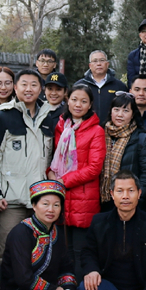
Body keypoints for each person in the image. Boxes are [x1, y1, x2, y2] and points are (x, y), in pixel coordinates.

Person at [0, 69, 55, 258]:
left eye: (34, 85)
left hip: (38, 198)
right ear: (15, 88)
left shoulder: (47, 118)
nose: (28, 89)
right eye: (23, 84)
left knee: (34, 252)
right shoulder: (3, 117)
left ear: (40, 89)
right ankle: (2, 288)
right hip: (10, 200)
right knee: (7, 251)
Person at [48, 84, 106, 275]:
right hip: (60, 198)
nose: (78, 105)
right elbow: (53, 157)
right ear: (67, 100)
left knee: (80, 253)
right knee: (61, 251)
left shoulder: (96, 131)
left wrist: (64, 181)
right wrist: (50, 172)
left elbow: (94, 168)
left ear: (90, 105)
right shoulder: (60, 127)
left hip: (83, 199)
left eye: (84, 101)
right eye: (74, 99)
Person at [101, 92, 146, 209]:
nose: (120, 114)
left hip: (130, 202)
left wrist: (136, 199)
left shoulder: (141, 138)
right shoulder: (101, 134)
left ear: (132, 114)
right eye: (116, 110)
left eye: (126, 111)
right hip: (104, 200)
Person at [76, 50, 127, 125]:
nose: (99, 64)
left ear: (107, 64)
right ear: (90, 65)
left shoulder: (119, 86)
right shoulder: (80, 86)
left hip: (112, 130)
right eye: (95, 61)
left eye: (102, 60)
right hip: (86, 130)